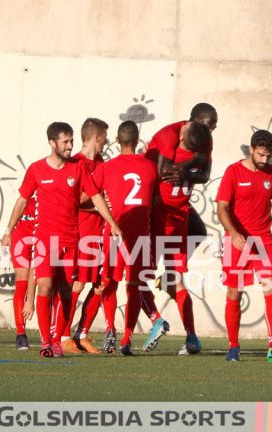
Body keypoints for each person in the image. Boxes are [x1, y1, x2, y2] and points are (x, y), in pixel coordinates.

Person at [2, 122, 122, 358]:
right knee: (45, 285)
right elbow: (22, 201)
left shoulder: (77, 168)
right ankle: (46, 342)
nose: (70, 146)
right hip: (46, 240)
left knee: (66, 292)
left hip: (71, 240)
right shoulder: (36, 169)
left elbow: (96, 196)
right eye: (65, 142)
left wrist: (112, 222)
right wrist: (9, 229)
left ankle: (58, 339)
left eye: (71, 141)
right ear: (52, 143)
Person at [215, 129, 272, 362]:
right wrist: (234, 233)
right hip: (236, 241)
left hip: (263, 241)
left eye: (268, 156)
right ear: (251, 150)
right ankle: (234, 346)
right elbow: (222, 208)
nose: (264, 160)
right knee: (234, 292)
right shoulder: (233, 172)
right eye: (260, 155)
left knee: (270, 288)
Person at [144, 105, 215, 355]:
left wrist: (184, 168)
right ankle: (191, 335)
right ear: (191, 124)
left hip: (167, 215)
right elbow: (164, 171)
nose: (212, 131)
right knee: (174, 279)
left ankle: (152, 322)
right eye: (209, 125)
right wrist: (191, 165)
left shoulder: (199, 138)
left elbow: (201, 173)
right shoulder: (168, 135)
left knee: (137, 277)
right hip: (169, 214)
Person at [84, 120, 159, 356]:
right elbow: (156, 199)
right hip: (140, 235)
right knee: (134, 286)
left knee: (108, 281)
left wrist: (98, 207)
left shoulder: (106, 167)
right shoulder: (150, 167)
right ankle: (127, 339)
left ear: (117, 141)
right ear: (137, 141)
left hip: (115, 233)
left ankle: (110, 330)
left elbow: (87, 195)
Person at [55, 118, 109, 354]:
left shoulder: (101, 162)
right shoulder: (75, 163)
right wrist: (98, 204)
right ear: (97, 138)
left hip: (100, 233)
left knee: (100, 283)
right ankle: (63, 336)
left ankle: (82, 334)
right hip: (81, 232)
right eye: (105, 137)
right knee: (75, 283)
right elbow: (71, 201)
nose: (107, 142)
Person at [9, 196, 37, 350]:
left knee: (45, 281)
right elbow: (19, 204)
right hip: (22, 233)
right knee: (23, 281)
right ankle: (21, 334)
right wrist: (8, 232)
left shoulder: (54, 196)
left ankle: (54, 334)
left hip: (44, 235)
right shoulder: (27, 198)